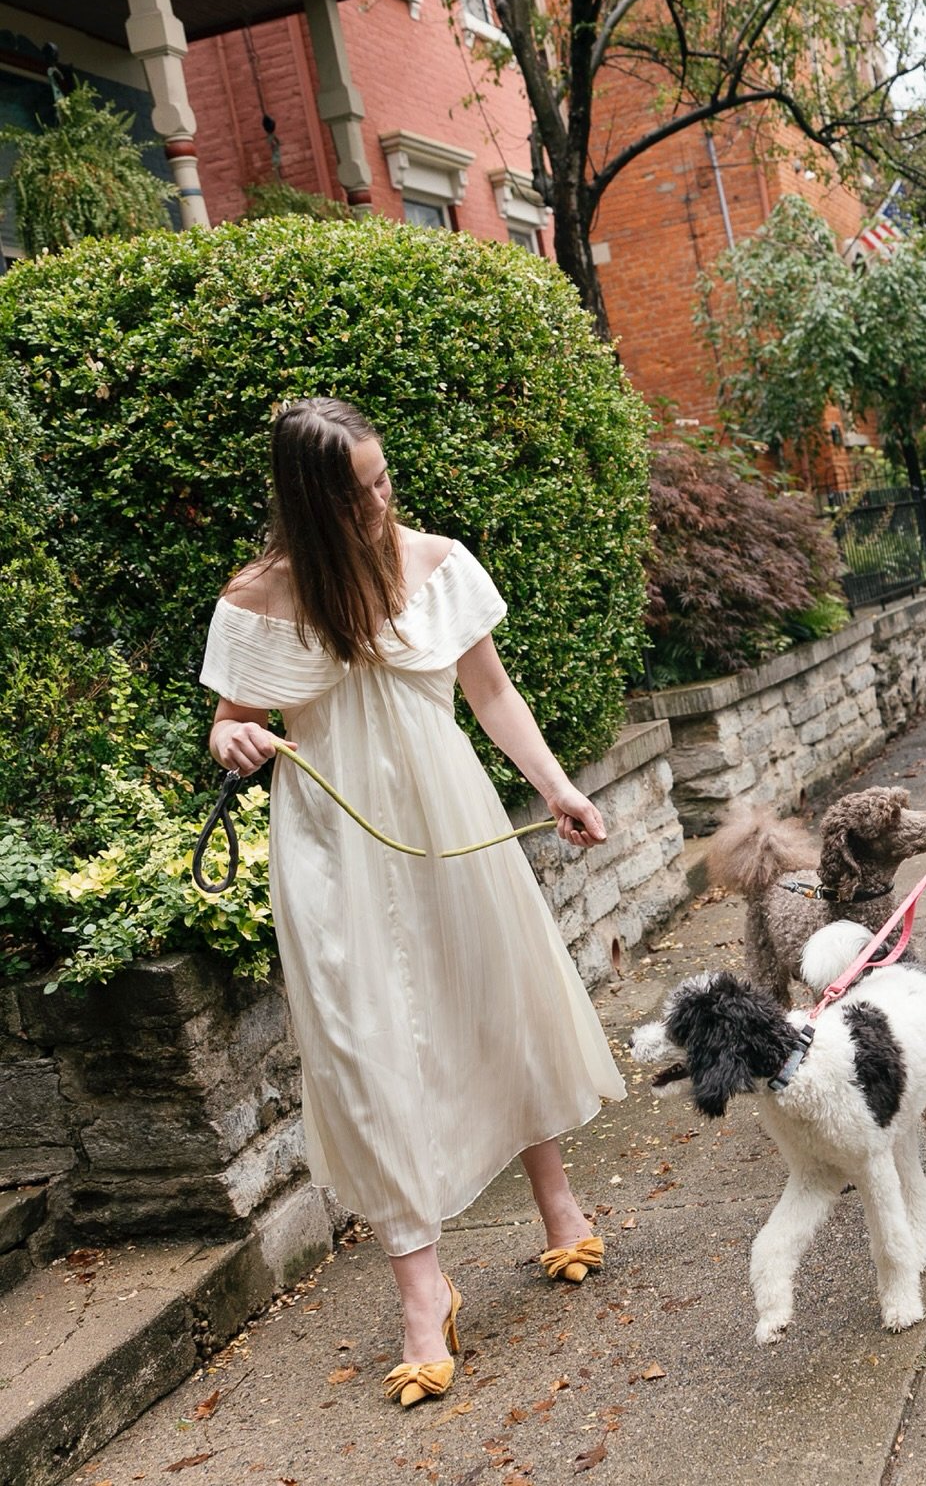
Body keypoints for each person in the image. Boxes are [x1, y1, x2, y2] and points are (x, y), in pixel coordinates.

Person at [202, 399, 625, 1407]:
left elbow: (492, 694)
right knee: (364, 1046)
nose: (381, 501)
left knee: (493, 997)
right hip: (332, 847)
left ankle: (557, 1203)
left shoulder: (438, 562)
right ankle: (421, 1289)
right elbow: (231, 723)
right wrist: (236, 742)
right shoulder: (257, 597)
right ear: (308, 503)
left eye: (383, 478)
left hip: (451, 820)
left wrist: (558, 786)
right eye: (357, 491)